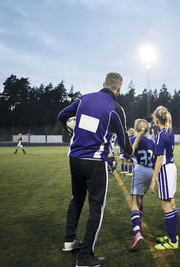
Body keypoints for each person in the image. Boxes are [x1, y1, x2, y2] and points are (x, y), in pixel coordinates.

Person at [58, 72, 132, 267]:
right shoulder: (116, 107)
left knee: (77, 199)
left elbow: (62, 116)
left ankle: (69, 241)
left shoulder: (84, 99)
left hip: (74, 158)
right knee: (96, 207)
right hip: (95, 161)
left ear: (103, 83)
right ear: (119, 89)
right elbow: (123, 139)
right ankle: (84, 258)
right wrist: (129, 152)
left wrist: (71, 129)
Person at [149, 106, 179, 250]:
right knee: (171, 203)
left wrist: (153, 180)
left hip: (165, 170)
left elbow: (159, 159)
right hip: (171, 168)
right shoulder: (168, 131)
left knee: (166, 205)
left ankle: (173, 241)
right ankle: (173, 236)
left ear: (156, 119)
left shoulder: (162, 134)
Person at [128, 119, 155, 251]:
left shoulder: (133, 140)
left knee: (134, 201)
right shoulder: (151, 141)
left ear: (136, 128)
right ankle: (139, 225)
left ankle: (137, 232)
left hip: (140, 170)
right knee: (140, 199)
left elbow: (127, 157)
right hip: (151, 171)